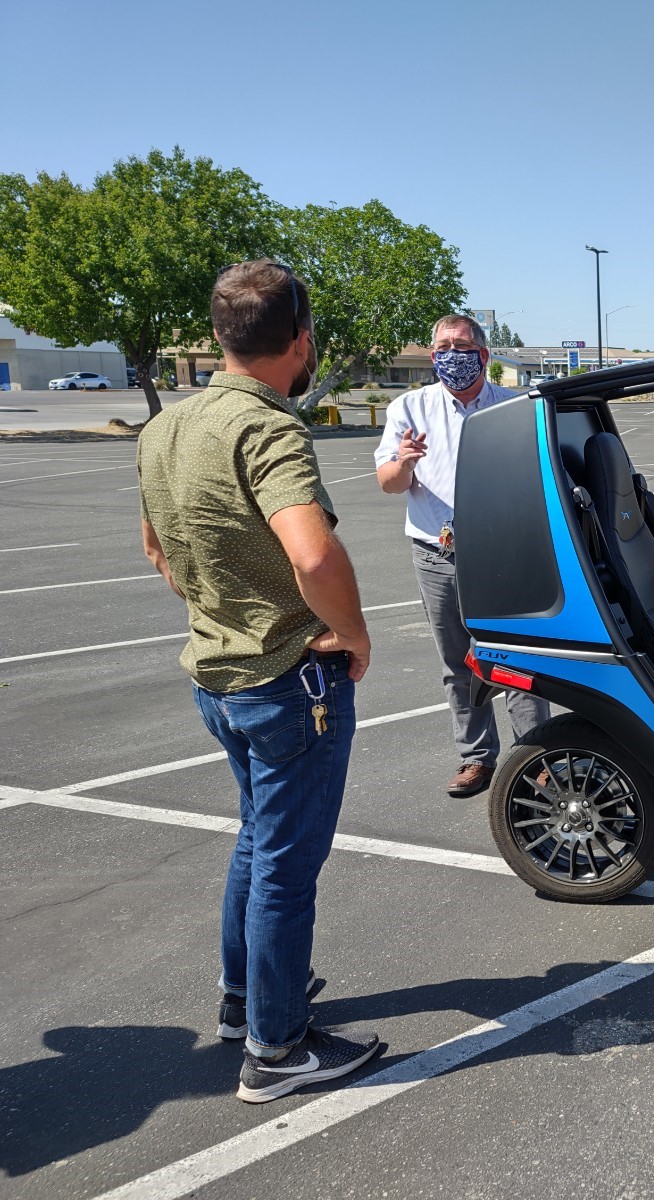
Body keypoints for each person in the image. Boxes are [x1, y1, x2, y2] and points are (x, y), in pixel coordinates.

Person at [137, 260, 381, 1103]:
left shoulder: (164, 429)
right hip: (286, 681)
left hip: (217, 680)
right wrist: (350, 632)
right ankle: (277, 1052)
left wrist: (220, 607)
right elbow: (312, 551)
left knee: (255, 841)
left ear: (219, 337)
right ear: (301, 340)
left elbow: (159, 553)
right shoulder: (267, 428)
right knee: (285, 864)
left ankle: (245, 1004)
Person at [375, 315, 549, 797]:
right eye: (443, 347)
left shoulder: (514, 407)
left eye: (463, 345)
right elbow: (389, 484)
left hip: (502, 552)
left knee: (516, 655)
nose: (452, 354)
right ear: (432, 356)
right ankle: (477, 758)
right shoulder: (409, 408)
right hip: (437, 552)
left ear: (484, 355)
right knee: (457, 661)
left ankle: (536, 757)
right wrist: (404, 462)